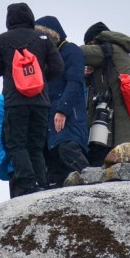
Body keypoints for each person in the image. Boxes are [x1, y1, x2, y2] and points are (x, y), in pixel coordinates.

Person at [0, 2, 64, 196]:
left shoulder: (1, 40)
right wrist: (39, 77)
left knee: (16, 144)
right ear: (30, 16)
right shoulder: (43, 38)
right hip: (40, 101)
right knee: (36, 145)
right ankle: (42, 182)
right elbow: (58, 67)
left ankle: (29, 183)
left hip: (15, 102)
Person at [35, 15, 90, 186]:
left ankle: (93, 183)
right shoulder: (46, 58)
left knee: (67, 148)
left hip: (69, 115)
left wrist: (62, 110)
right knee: (54, 160)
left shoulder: (71, 51)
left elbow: (75, 82)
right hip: (50, 116)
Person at [81, 22, 130, 166]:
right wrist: (89, 76)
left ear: (94, 41)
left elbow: (78, 52)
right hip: (123, 128)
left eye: (90, 44)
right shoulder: (118, 51)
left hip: (111, 130)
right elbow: (107, 80)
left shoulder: (107, 49)